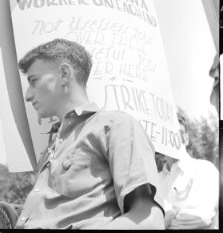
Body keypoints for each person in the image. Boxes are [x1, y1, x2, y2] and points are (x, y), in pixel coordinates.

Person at [15, 38, 165, 229]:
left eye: (33, 81)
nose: (28, 95)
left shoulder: (114, 125)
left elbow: (149, 221)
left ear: (64, 74)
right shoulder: (50, 149)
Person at [156, 116, 219, 229]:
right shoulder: (155, 180)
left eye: (179, 133)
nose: (173, 137)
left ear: (186, 139)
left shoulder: (204, 169)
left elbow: (199, 216)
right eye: (167, 132)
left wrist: (162, 224)